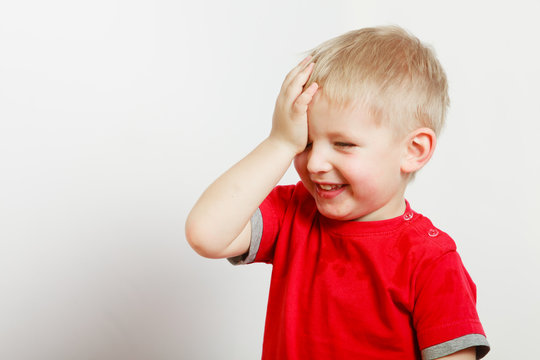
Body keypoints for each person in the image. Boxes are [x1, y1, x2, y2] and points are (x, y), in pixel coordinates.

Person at [185, 26, 490, 360]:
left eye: (343, 144)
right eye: (306, 142)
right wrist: (281, 142)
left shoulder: (431, 260)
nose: (315, 163)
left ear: (413, 150)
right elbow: (206, 234)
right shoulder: (292, 212)